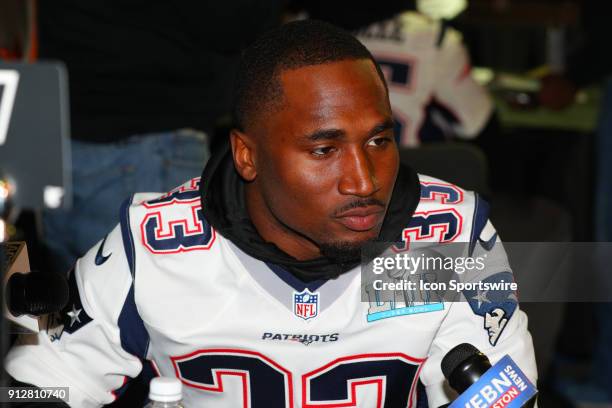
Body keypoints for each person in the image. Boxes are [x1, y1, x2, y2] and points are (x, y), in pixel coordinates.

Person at [5, 20, 536, 407]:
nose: (364, 180)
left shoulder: (443, 238)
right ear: (247, 156)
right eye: (324, 150)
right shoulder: (154, 245)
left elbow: (507, 393)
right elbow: (37, 383)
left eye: (379, 140)